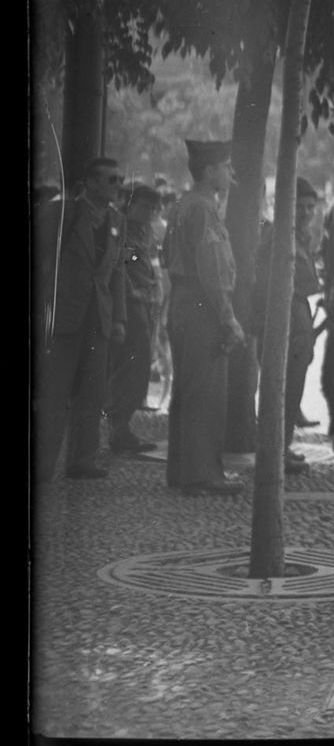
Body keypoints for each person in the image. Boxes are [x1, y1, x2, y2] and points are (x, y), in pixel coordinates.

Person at [35, 157, 129, 484]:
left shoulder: (117, 220)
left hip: (98, 319)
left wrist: (119, 318)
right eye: (111, 180)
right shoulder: (63, 213)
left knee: (93, 392)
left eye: (119, 180)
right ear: (91, 183)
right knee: (55, 393)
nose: (118, 186)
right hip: (63, 317)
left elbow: (117, 273)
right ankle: (42, 465)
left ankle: (82, 460)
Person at [161, 141, 248, 495]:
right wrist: (228, 318)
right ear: (209, 172)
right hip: (202, 306)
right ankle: (202, 476)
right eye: (226, 166)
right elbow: (212, 271)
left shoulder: (182, 205)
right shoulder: (204, 209)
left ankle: (183, 471)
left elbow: (168, 256)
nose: (230, 173)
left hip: (183, 302)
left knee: (187, 389)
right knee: (206, 393)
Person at [250, 177, 325, 477]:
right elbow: (291, 281)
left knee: (291, 391)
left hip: (298, 322)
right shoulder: (279, 236)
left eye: (311, 207)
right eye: (300, 206)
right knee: (280, 390)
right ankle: (274, 451)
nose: (306, 213)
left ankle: (281, 447)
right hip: (283, 324)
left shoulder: (299, 236)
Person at [107, 183, 167, 457]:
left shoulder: (148, 231)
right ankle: (118, 427)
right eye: (145, 206)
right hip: (131, 303)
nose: (151, 212)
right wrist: (134, 254)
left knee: (141, 366)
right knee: (133, 365)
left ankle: (122, 426)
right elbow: (124, 263)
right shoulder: (121, 228)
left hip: (149, 302)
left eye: (154, 208)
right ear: (130, 204)